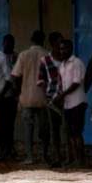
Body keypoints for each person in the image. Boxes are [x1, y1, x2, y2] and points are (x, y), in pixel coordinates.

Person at [11, 30, 49, 165]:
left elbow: (15, 75)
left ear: (31, 40)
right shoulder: (47, 55)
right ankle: (44, 155)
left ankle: (29, 156)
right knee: (44, 129)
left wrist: (17, 92)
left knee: (28, 129)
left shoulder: (23, 55)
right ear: (43, 40)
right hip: (43, 98)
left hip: (26, 97)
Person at [56, 39, 87, 168]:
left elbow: (76, 83)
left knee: (77, 132)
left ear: (71, 49)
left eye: (64, 48)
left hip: (78, 102)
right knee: (70, 134)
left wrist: (62, 94)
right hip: (67, 104)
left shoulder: (77, 63)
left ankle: (81, 161)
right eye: (61, 49)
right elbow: (61, 83)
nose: (62, 51)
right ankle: (74, 159)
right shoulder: (61, 65)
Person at [37, 31, 64, 168]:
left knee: (64, 131)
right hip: (51, 100)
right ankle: (49, 155)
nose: (61, 46)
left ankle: (61, 156)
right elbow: (41, 81)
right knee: (49, 130)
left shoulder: (66, 60)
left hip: (66, 99)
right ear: (52, 44)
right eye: (59, 43)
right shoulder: (45, 61)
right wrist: (45, 99)